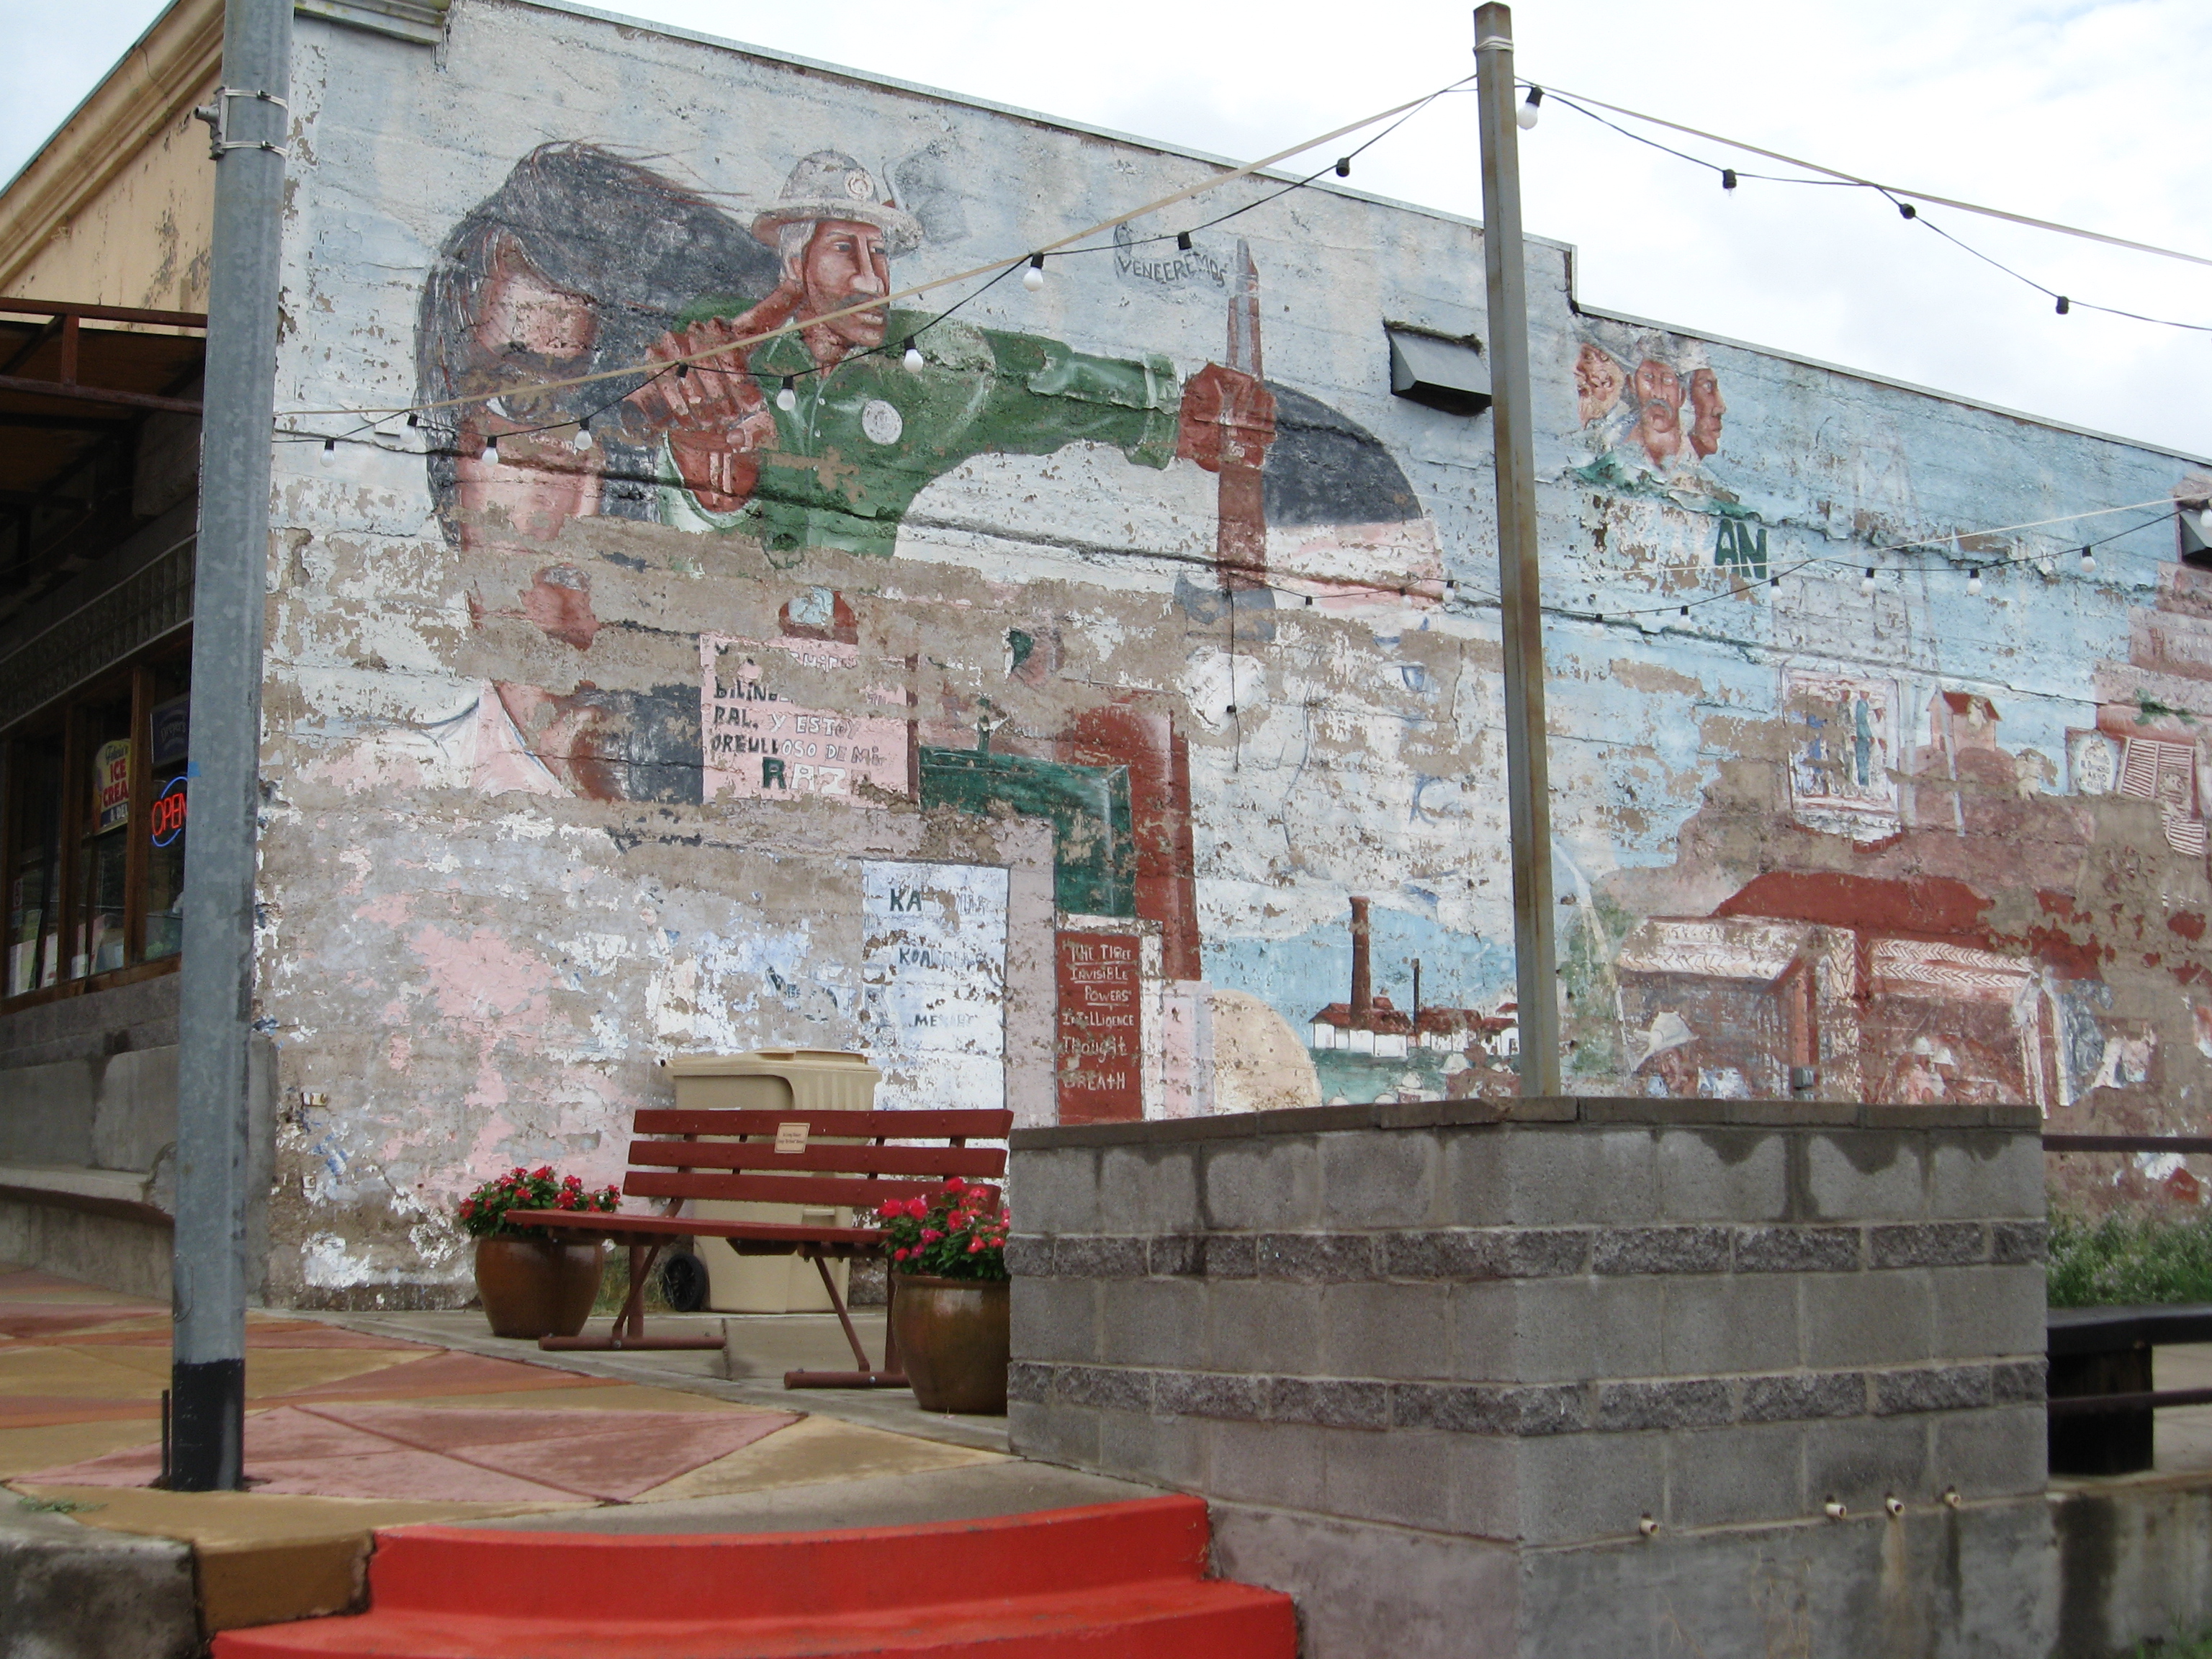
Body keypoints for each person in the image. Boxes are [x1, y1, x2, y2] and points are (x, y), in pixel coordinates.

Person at [626, 150, 1269, 565]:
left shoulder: (931, 363)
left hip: (857, 668)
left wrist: (1173, 406)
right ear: (796, 263)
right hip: (720, 657)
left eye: (881, 253)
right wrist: (700, 453)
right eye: (845, 249)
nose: (872, 278)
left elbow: (1044, 379)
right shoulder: (723, 347)